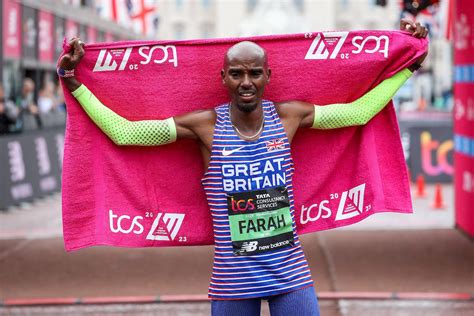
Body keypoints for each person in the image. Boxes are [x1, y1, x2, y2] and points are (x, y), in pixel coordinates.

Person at [58, 19, 428, 316]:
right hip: (233, 284)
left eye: (254, 73)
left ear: (269, 76)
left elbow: (358, 112)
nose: (246, 82)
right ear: (223, 79)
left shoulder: (290, 116)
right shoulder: (204, 126)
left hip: (291, 275)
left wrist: (407, 68)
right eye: (236, 73)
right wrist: (73, 82)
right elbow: (125, 133)